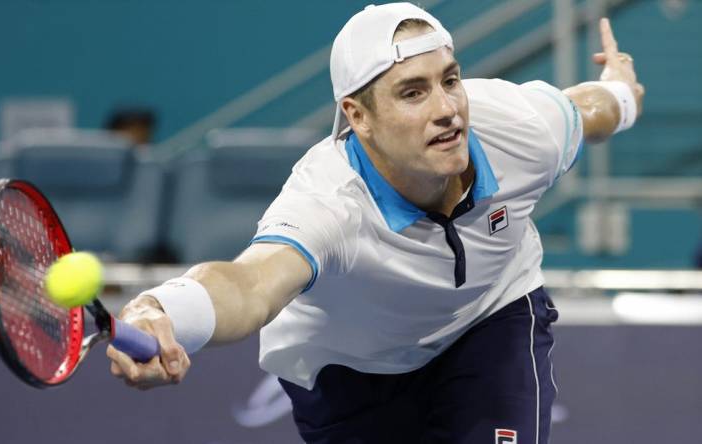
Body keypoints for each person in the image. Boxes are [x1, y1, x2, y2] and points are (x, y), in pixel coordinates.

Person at [106, 3, 644, 443]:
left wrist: (622, 92)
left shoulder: (517, 128)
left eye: (449, 80)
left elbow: (589, 110)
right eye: (413, 92)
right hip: (349, 373)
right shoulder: (328, 202)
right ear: (358, 116)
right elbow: (249, 285)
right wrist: (162, 308)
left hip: (490, 320)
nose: (447, 109)